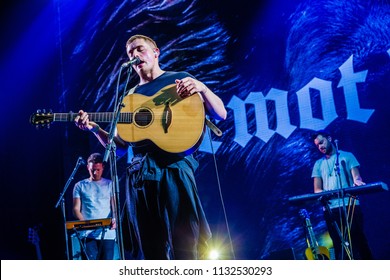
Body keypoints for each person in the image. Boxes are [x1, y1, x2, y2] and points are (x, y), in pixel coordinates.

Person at [74, 34, 227, 260]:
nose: (135, 55)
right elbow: (120, 148)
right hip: (141, 179)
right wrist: (95, 129)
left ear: (156, 52)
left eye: (140, 49)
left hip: (174, 171)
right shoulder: (129, 97)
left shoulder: (179, 80)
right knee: (151, 249)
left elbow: (220, 113)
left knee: (186, 244)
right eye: (130, 53)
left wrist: (202, 88)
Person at [311, 130, 372, 260]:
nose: (320, 147)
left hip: (350, 205)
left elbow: (357, 178)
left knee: (359, 242)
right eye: (317, 145)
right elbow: (317, 189)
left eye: (321, 142)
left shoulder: (347, 156)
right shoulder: (318, 164)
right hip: (331, 209)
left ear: (329, 138)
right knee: (339, 245)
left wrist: (358, 182)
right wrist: (325, 194)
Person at [72, 152, 117, 260]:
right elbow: (75, 209)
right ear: (88, 167)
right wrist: (85, 224)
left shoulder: (110, 184)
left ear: (103, 167)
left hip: (107, 234)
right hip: (87, 234)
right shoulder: (80, 185)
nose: (95, 172)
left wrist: (115, 219)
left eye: (98, 169)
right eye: (92, 170)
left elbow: (114, 207)